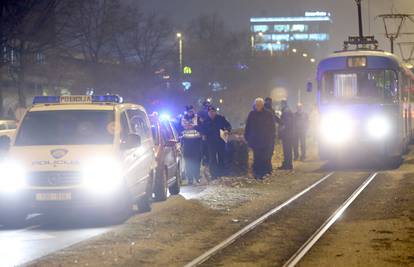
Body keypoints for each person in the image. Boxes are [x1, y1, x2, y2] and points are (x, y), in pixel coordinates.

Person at [244, 98, 276, 179]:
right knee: (257, 157)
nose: (258, 107)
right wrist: (246, 137)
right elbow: (248, 126)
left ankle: (264, 172)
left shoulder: (268, 114)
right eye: (256, 105)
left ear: (262, 105)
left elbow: (272, 127)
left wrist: (272, 137)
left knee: (265, 157)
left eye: (259, 105)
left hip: (265, 140)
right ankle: (257, 173)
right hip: (255, 140)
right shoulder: (252, 114)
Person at [201, 106, 231, 179]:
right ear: (208, 113)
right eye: (210, 112)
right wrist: (203, 134)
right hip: (210, 142)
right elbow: (203, 130)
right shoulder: (205, 120)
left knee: (221, 157)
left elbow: (228, 125)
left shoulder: (220, 118)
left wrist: (227, 130)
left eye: (213, 111)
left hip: (220, 141)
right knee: (212, 159)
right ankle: (214, 175)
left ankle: (221, 174)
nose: (211, 113)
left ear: (215, 112)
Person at [181, 105, 202, 185]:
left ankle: (196, 177)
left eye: (192, 111)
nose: (191, 112)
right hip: (187, 142)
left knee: (196, 161)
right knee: (188, 161)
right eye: (189, 111)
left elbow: (201, 128)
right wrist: (185, 127)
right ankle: (190, 178)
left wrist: (195, 127)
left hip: (196, 142)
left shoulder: (197, 118)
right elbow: (179, 128)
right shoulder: (183, 119)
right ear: (187, 112)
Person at [278, 100, 295, 170]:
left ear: (283, 104)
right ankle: (288, 164)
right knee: (288, 149)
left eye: (281, 104)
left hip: (287, 134)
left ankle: (287, 165)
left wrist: (282, 128)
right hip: (289, 133)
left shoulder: (286, 111)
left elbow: (286, 123)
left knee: (287, 149)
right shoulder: (287, 110)